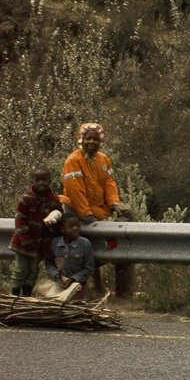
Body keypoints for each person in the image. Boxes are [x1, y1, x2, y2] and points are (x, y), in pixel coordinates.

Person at [59, 122, 132, 294]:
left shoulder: (103, 159)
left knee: (92, 251)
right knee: (78, 253)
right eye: (88, 138)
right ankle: (73, 291)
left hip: (95, 213)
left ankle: (98, 289)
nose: (91, 142)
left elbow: (109, 184)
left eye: (95, 139)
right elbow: (75, 191)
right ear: (81, 139)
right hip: (75, 213)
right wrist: (86, 215)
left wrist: (115, 204)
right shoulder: (74, 160)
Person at [8, 167, 64, 297]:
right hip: (23, 243)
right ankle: (14, 297)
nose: (41, 183)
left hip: (41, 244)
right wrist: (26, 239)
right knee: (20, 270)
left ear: (50, 181)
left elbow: (59, 217)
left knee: (33, 270)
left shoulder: (54, 201)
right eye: (37, 180)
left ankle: (27, 296)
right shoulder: (26, 199)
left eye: (44, 180)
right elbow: (20, 220)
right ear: (32, 181)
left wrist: (56, 217)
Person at [45, 211, 95, 301]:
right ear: (62, 229)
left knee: (73, 305)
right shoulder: (55, 243)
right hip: (58, 283)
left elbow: (89, 268)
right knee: (55, 305)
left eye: (78, 226)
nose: (75, 228)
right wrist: (57, 276)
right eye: (71, 226)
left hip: (76, 284)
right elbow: (49, 263)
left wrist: (73, 279)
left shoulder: (85, 244)